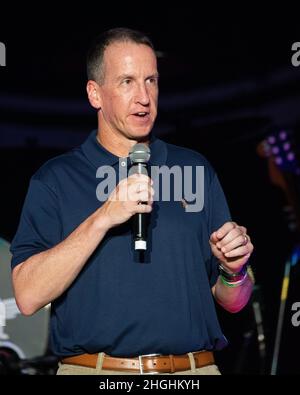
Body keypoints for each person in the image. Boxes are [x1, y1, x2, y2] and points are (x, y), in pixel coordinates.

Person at [10, 27, 254, 375]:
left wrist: (235, 271)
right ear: (95, 94)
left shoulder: (195, 169)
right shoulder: (56, 179)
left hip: (193, 372)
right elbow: (28, 295)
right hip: (98, 372)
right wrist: (104, 217)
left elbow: (234, 302)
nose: (143, 97)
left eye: (151, 80)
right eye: (127, 81)